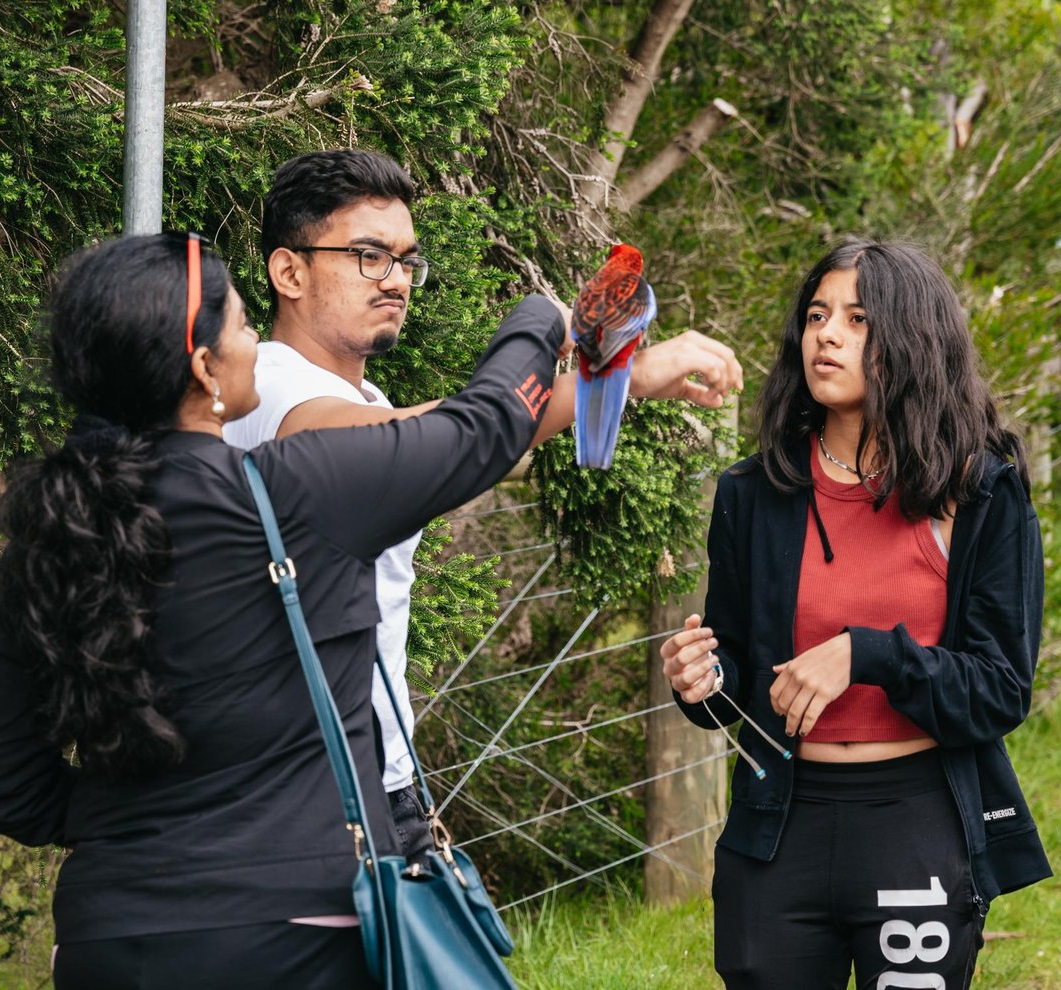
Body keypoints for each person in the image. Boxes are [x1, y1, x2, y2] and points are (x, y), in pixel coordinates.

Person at [0, 231, 572, 988]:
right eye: (246, 327)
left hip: (107, 935)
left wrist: (126, 830)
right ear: (203, 369)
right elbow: (484, 426)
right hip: (293, 934)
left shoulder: (51, 537)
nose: (257, 343)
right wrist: (543, 316)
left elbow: (2, 780)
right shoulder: (300, 490)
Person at [225, 148, 745, 861]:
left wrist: (620, 382)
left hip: (379, 776)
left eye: (408, 260)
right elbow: (451, 440)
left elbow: (469, 440)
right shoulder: (272, 386)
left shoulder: (361, 399)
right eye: (369, 256)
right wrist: (567, 338)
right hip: (317, 798)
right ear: (290, 271)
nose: (398, 280)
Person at [660, 240, 1051, 990]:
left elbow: (1000, 689)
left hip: (915, 824)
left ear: (911, 338)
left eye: (857, 319)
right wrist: (702, 680)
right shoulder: (755, 493)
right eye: (815, 316)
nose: (826, 335)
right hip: (778, 826)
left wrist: (866, 654)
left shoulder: (978, 494)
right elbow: (735, 680)